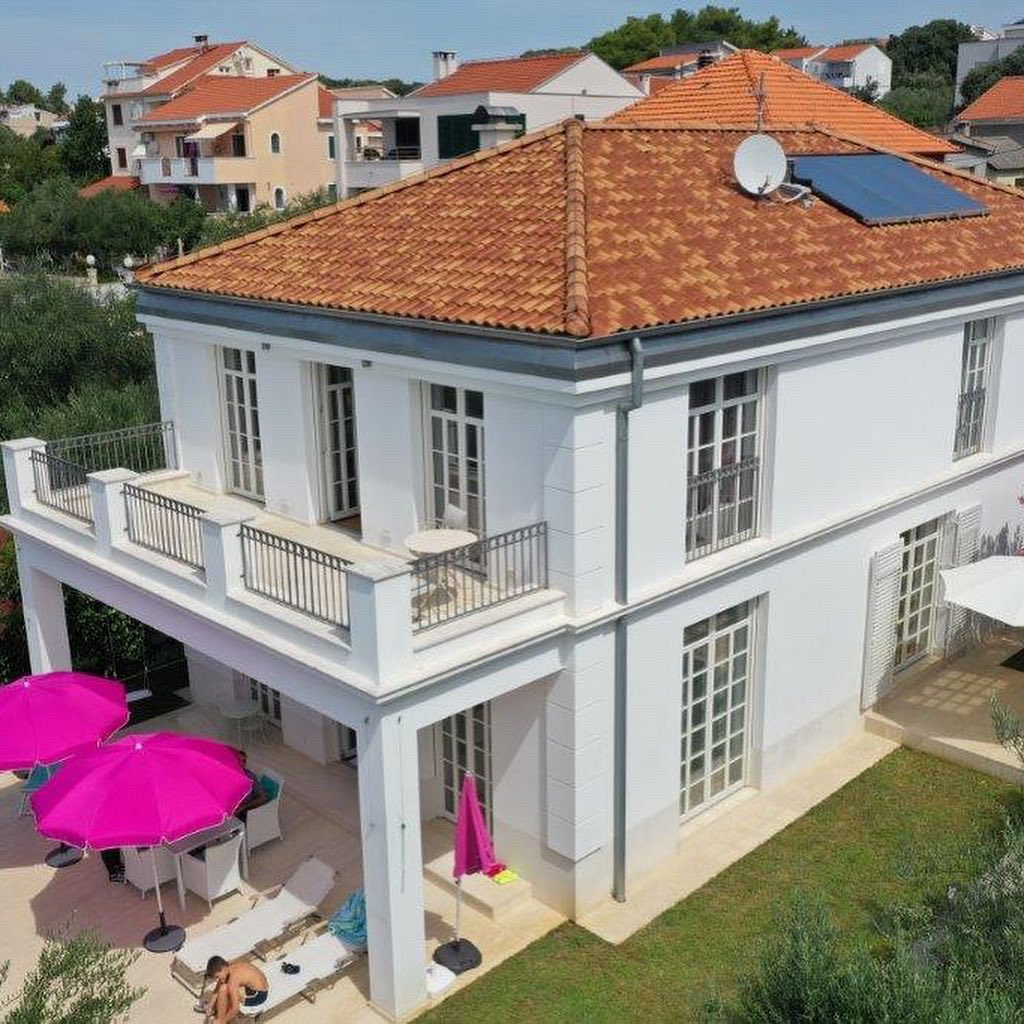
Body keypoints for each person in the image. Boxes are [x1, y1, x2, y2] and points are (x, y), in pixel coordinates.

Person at [203, 956, 269, 1022]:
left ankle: (220, 1020)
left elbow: (235, 1008)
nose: (217, 980)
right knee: (223, 987)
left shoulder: (233, 979)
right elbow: (218, 986)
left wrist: (222, 1021)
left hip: (257, 997)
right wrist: (210, 1005)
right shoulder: (230, 967)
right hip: (258, 989)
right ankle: (218, 1014)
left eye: (217, 977)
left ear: (223, 968)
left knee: (224, 990)